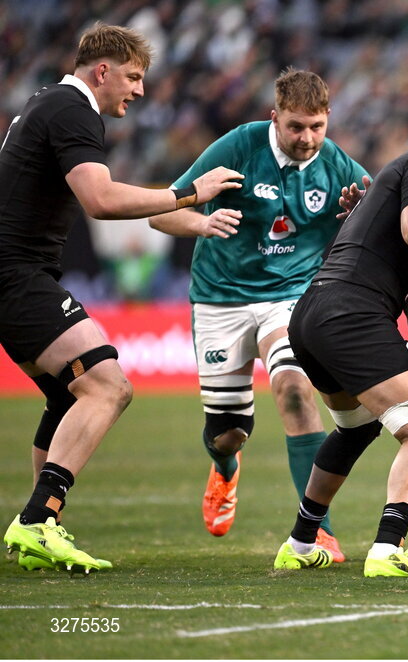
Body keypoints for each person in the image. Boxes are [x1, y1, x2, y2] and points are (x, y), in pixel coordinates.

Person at [0, 24, 241, 573]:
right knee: (109, 385)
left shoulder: (46, 103)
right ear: (101, 71)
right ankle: (39, 520)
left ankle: (43, 527)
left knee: (69, 395)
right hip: (16, 274)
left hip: (16, 273)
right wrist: (189, 192)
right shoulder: (72, 109)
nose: (138, 90)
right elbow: (100, 200)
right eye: (132, 77)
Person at [148, 69, 369, 562]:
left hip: (289, 298)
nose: (307, 138)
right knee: (227, 433)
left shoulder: (336, 165)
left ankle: (316, 532)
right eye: (295, 127)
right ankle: (225, 469)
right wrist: (201, 221)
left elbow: (382, 215)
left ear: (328, 118)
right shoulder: (238, 148)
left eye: (316, 126)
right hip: (220, 299)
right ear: (274, 118)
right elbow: (161, 212)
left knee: (294, 389)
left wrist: (361, 210)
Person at [271, 106, 408, 578]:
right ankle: (388, 550)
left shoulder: (384, 193)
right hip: (352, 313)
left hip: (311, 315)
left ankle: (301, 542)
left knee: (356, 428)